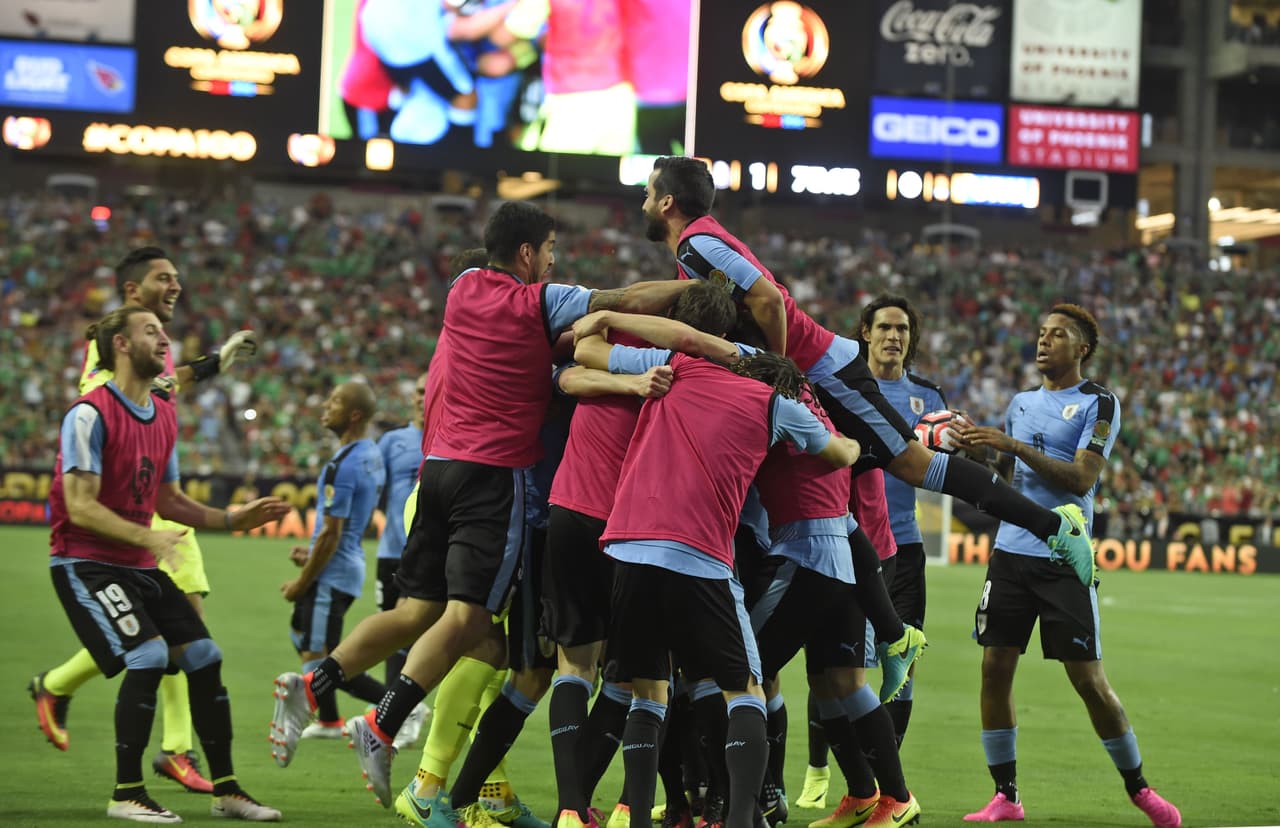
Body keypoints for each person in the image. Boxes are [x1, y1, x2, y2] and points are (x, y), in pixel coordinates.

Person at [268, 200, 695, 815]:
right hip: (496, 486)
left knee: (449, 627)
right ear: (527, 254)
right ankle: (399, 745)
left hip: (436, 474)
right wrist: (690, 302)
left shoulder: (462, 291)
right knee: (481, 634)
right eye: (548, 251)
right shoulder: (538, 303)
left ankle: (315, 685)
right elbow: (617, 301)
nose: (553, 261)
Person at [639, 156, 1096, 616]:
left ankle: (1053, 528)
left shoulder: (696, 244)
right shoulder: (698, 248)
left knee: (914, 465)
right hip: (809, 378)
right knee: (832, 504)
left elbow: (769, 299)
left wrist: (777, 372)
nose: (642, 201)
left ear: (666, 202)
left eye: (647, 192)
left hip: (824, 371)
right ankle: (880, 639)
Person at [596, 347, 862, 828]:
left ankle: (647, 814)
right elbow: (840, 453)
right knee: (746, 689)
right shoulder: (775, 406)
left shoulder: (684, 372)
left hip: (628, 550)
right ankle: (742, 815)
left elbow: (586, 353)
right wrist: (857, 444)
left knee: (648, 692)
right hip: (702, 556)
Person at [31, 246, 258, 795]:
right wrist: (209, 366)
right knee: (167, 634)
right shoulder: (110, 347)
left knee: (183, 629)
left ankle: (63, 687)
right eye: (164, 279)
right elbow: (113, 397)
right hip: (131, 504)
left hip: (157, 493)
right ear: (133, 292)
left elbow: (162, 384)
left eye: (178, 277)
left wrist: (209, 365)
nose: (176, 286)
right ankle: (173, 750)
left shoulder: (153, 348)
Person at [951, 305, 1181, 828]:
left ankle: (1139, 788)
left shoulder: (1099, 401)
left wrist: (1011, 444)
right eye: (1040, 333)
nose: (1044, 341)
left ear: (1081, 349)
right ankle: (1005, 796)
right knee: (994, 670)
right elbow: (1010, 482)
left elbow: (1080, 479)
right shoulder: (1020, 403)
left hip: (1063, 556)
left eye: (1058, 335)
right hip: (1010, 555)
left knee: (1089, 682)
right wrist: (974, 449)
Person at [859, 295, 948, 744]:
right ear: (866, 334)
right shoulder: (842, 385)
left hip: (906, 547)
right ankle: (819, 771)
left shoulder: (929, 397)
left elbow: (938, 471)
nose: (894, 336)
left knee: (902, 665)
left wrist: (955, 449)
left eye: (903, 330)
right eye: (885, 328)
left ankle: (885, 784)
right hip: (852, 543)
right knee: (842, 666)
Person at [281, 382, 389, 739]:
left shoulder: (342, 464)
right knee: (309, 640)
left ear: (354, 415)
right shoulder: (370, 453)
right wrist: (310, 555)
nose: (326, 406)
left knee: (318, 654)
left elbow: (331, 533)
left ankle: (399, 704)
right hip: (343, 563)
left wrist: (302, 582)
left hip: (333, 571)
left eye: (335, 401)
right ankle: (329, 720)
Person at [375, 372, 429, 687]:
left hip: (431, 554)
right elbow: (371, 487)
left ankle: (406, 706)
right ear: (412, 397)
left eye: (429, 391)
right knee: (389, 631)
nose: (423, 398)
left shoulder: (450, 435)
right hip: (392, 551)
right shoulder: (393, 441)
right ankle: (389, 711)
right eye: (419, 391)